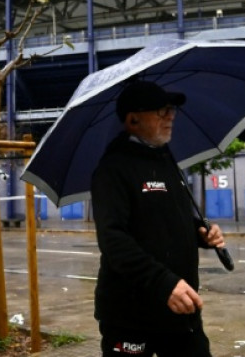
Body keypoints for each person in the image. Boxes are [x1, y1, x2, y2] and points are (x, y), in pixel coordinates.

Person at [90, 80, 225, 357]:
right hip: (130, 316)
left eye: (171, 110)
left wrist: (201, 231)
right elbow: (113, 240)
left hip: (180, 310)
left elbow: (168, 218)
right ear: (133, 119)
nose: (170, 116)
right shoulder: (112, 168)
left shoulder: (165, 159)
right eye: (161, 111)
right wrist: (164, 283)